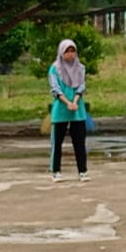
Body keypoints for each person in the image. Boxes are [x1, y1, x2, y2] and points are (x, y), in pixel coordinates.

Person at [48, 39, 89, 183]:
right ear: (61, 52)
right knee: (57, 142)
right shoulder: (54, 69)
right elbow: (55, 89)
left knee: (79, 142)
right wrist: (67, 102)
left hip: (77, 109)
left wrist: (75, 101)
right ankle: (56, 171)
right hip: (61, 109)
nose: (70, 55)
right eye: (67, 51)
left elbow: (81, 86)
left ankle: (83, 171)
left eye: (73, 51)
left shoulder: (80, 68)